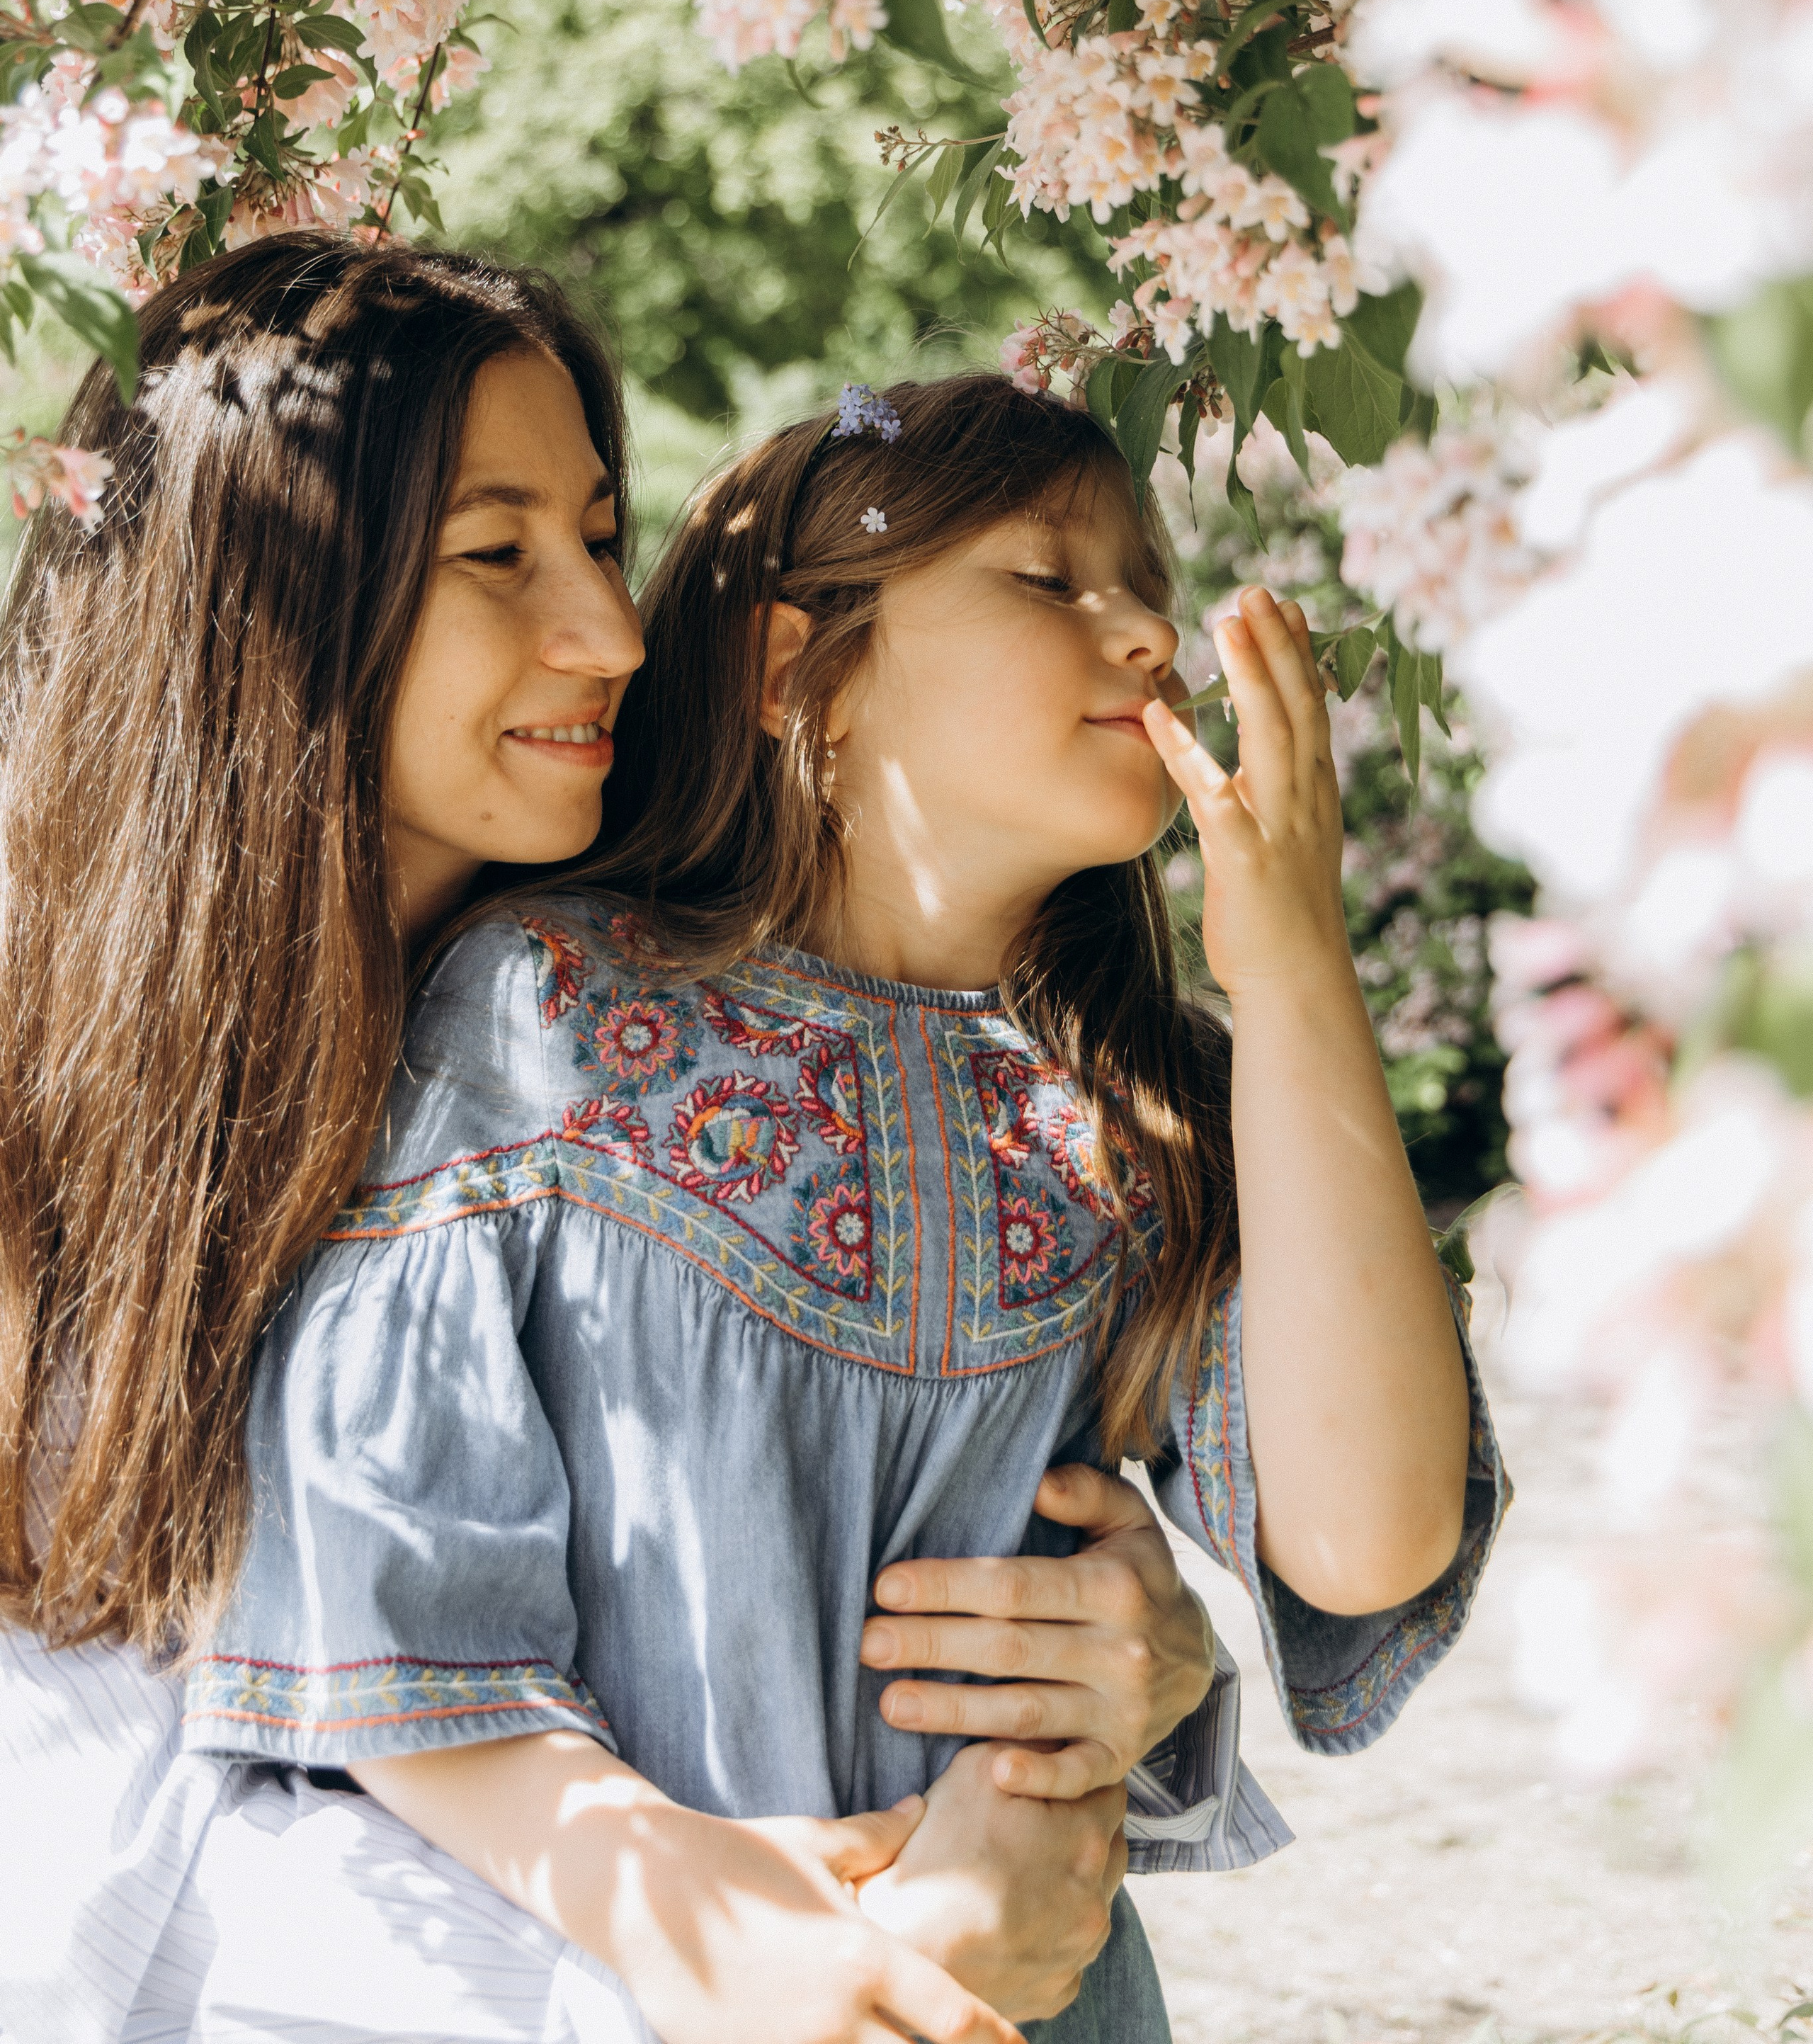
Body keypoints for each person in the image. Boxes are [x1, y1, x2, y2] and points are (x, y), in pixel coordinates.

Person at [188, 373, 1511, 2043]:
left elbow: (1368, 1539)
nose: (1145, 636)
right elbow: (388, 1602)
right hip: (623, 1988)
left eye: (1147, 589)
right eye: (1046, 580)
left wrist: (1298, 966)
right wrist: (747, 1941)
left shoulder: (1152, 1108)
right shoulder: (540, 1014)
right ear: (795, 674)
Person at [0, 261, 1207, 2044]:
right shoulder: (45, 1102)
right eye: (497, 553)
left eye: (595, 534)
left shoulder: (619, 1049)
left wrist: (1120, 1664)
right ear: (260, 599)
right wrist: (711, 1956)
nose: (613, 630)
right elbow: (65, 1852)